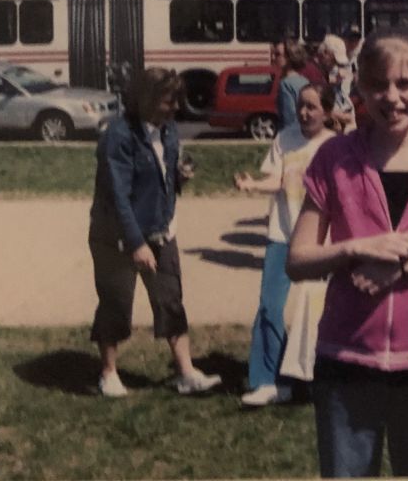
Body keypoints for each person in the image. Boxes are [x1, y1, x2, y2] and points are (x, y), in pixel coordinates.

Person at [287, 28, 408, 478]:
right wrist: (357, 247)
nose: (391, 97)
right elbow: (297, 260)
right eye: (378, 84)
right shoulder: (334, 159)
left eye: (404, 84)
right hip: (345, 363)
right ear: (358, 86)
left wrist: (405, 265)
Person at [88, 67, 222, 397]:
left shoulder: (168, 130)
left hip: (161, 231)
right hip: (116, 236)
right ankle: (108, 374)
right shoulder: (118, 135)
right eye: (168, 101)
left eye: (177, 100)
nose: (175, 107)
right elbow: (118, 195)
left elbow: (162, 179)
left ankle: (186, 373)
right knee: (116, 303)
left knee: (170, 300)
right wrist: (136, 243)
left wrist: (179, 178)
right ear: (146, 100)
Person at [234, 84, 338, 406]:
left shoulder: (337, 146)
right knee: (270, 306)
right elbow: (278, 180)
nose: (304, 112)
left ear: (328, 111)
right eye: (301, 106)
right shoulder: (284, 138)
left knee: (322, 311)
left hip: (321, 240)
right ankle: (269, 381)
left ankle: (320, 377)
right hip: (282, 233)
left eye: (312, 106)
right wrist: (252, 185)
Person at [319, 34, 357, 131]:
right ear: (325, 53)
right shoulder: (317, 74)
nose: (335, 65)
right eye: (334, 60)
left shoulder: (337, 73)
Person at [276, 41, 312, 131]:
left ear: (289, 58)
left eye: (277, 54)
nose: (273, 57)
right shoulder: (305, 80)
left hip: (290, 136)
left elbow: (289, 118)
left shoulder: (285, 84)